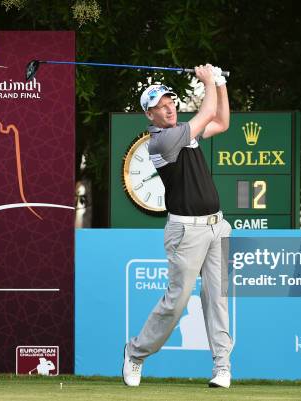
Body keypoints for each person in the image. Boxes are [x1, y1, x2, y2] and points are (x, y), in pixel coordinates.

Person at [123, 64, 233, 388]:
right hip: (186, 231)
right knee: (177, 303)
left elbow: (222, 121)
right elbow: (209, 109)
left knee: (217, 299)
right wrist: (209, 80)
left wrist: (221, 83)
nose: (168, 107)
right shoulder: (162, 141)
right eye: (159, 105)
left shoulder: (186, 130)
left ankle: (222, 368)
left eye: (170, 100)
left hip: (217, 227)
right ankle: (135, 353)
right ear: (150, 116)